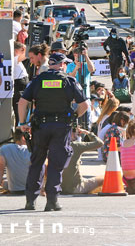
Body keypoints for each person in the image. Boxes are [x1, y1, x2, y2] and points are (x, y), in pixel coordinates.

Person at [18, 52, 89, 211]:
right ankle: (52, 201)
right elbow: (84, 105)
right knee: (55, 164)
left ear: (50, 64)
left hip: (39, 127)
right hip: (60, 128)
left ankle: (30, 201)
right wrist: (73, 117)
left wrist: (23, 122)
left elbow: (23, 102)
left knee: (37, 162)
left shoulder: (37, 80)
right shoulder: (69, 81)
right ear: (62, 64)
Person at [62, 126, 105, 195]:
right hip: (75, 188)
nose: (77, 134)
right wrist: (88, 133)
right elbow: (99, 143)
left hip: (59, 188)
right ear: (70, 133)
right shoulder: (76, 146)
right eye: (76, 132)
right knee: (104, 178)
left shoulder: (53, 146)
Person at [0, 127, 30, 195]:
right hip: (32, 190)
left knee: (3, 181)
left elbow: (0, 170)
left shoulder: (4, 149)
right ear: (23, 137)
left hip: (15, 190)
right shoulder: (34, 149)